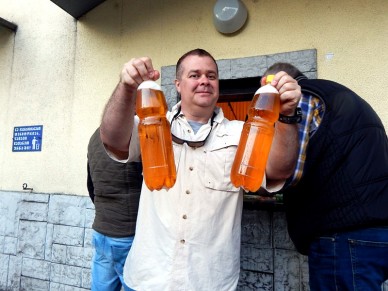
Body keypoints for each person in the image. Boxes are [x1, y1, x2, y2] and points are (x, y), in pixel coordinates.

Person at [99, 48, 302, 290]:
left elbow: (278, 171)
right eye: (194, 75)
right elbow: (112, 138)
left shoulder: (242, 133)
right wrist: (126, 87)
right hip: (149, 278)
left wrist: (287, 116)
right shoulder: (152, 124)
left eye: (211, 76)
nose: (204, 81)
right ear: (177, 84)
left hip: (210, 281)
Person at [264, 62, 388, 291]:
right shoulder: (342, 96)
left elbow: (288, 172)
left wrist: (260, 178)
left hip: (342, 235)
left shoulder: (301, 99)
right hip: (378, 230)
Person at [87, 127, 143, 291]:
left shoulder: (95, 137)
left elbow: (91, 185)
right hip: (128, 235)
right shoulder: (135, 135)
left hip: (101, 231)